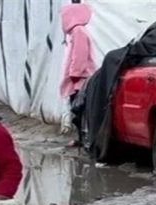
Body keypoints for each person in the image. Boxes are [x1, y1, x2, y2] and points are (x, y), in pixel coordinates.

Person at [59, 1, 95, 148]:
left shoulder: (78, 32)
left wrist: (75, 74)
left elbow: (80, 55)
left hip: (80, 80)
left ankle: (83, 138)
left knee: (79, 109)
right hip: (79, 78)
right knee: (79, 109)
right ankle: (82, 138)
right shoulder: (79, 31)